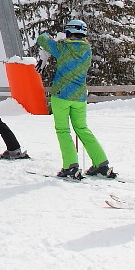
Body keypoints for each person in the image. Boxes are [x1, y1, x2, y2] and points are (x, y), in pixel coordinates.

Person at [36, 19, 114, 179]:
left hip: (61, 95)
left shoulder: (62, 48)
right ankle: (101, 163)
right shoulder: (87, 50)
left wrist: (52, 36)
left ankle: (70, 166)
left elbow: (42, 39)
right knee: (82, 129)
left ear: (69, 32)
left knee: (63, 130)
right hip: (79, 96)